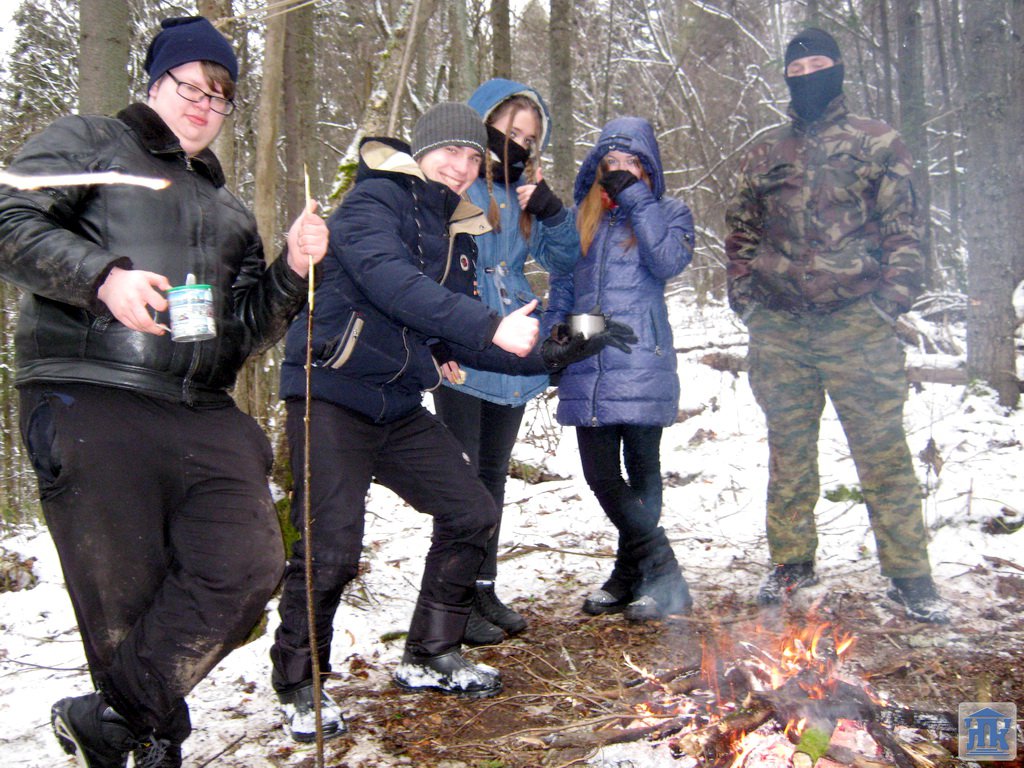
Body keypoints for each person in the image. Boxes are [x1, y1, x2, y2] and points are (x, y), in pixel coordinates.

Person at [0, 16, 328, 768]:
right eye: (192, 88)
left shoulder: (230, 209)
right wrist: (100, 278)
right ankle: (149, 744)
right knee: (124, 602)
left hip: (201, 408)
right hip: (90, 392)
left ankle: (110, 720)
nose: (205, 107)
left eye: (220, 97)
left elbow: (245, 330)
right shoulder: (91, 142)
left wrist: (291, 269)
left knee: (248, 564)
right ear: (155, 83)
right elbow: (8, 216)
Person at [269, 102, 632, 742]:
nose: (462, 167)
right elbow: (393, 284)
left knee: (471, 511)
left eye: (472, 157)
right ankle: (300, 681)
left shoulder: (457, 234)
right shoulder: (373, 201)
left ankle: (430, 653)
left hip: (396, 401)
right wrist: (489, 324)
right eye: (449, 152)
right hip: (330, 391)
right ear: (420, 152)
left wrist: (563, 346)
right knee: (332, 548)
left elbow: (465, 337)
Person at [724, 28, 948, 624]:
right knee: (788, 451)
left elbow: (906, 231)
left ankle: (910, 574)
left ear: (839, 69)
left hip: (856, 322)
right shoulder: (766, 152)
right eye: (796, 69)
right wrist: (747, 300)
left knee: (882, 450)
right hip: (780, 326)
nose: (807, 77)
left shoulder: (878, 142)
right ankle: (791, 563)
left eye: (817, 65)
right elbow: (740, 230)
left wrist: (887, 304)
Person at [431, 79, 580, 646]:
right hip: (464, 342)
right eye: (508, 130)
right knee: (461, 481)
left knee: (492, 474)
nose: (517, 143)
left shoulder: (523, 195)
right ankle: (452, 600)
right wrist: (436, 339)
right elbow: (426, 264)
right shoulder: (454, 183)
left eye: (529, 137)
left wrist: (552, 212)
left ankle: (483, 587)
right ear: (482, 122)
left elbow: (566, 259)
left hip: (515, 343)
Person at [545, 116, 695, 622]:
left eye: (632, 162)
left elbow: (667, 262)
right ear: (596, 166)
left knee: (643, 471)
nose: (621, 169)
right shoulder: (579, 219)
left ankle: (634, 576)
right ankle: (660, 571)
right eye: (612, 161)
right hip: (589, 360)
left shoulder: (669, 212)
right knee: (602, 475)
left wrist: (635, 199)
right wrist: (555, 344)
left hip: (642, 358)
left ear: (649, 168)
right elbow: (563, 292)